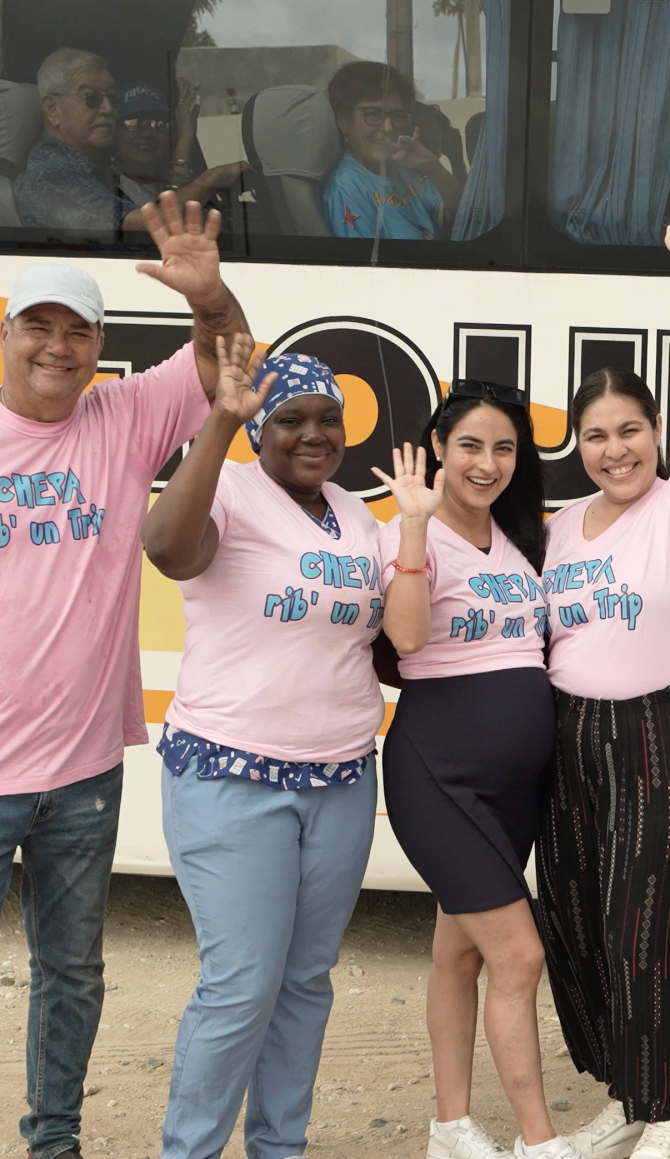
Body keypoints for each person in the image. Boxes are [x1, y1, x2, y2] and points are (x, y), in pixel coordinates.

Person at [0, 190, 249, 1159]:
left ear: (98, 345)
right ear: (7, 334)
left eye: (77, 333)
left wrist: (209, 297)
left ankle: (52, 1140)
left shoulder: (124, 416)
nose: (57, 348)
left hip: (81, 773)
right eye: (38, 328)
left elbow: (232, 365)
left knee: (72, 972)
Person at [140, 342, 383, 1159]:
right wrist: (220, 422)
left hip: (343, 778)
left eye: (327, 420)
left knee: (305, 985)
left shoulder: (355, 514)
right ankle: (191, 1151)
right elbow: (169, 548)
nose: (312, 435)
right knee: (242, 986)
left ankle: (280, 1148)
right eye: (289, 420)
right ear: (256, 429)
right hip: (232, 776)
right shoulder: (230, 489)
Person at [537, 201, 670, 1159]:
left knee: (657, 925)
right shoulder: (562, 525)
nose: (613, 449)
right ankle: (627, 1092)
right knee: (581, 922)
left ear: (655, 433)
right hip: (574, 739)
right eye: (594, 435)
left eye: (629, 429)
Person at [372, 381, 579, 1159]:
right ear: (437, 447)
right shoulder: (409, 531)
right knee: (519, 954)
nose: (486, 463)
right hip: (439, 773)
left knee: (457, 951)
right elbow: (410, 638)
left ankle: (451, 1127)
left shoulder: (523, 538)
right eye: (470, 445)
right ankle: (538, 1141)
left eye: (504, 448)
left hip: (514, 786)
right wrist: (417, 530)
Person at [323, 61, 462, 240]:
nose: (388, 128)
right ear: (343, 121)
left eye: (397, 116)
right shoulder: (345, 188)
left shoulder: (402, 169)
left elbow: (467, 217)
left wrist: (433, 167)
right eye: (373, 114)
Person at [15, 48, 137, 233]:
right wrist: (198, 187)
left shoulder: (92, 165)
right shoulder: (48, 176)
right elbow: (134, 226)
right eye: (91, 97)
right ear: (52, 109)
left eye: (113, 97)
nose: (109, 108)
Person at [114, 78, 246, 210]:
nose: (148, 133)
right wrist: (212, 178)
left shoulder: (170, 183)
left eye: (159, 124)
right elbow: (163, 219)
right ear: (114, 133)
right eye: (133, 123)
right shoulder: (106, 189)